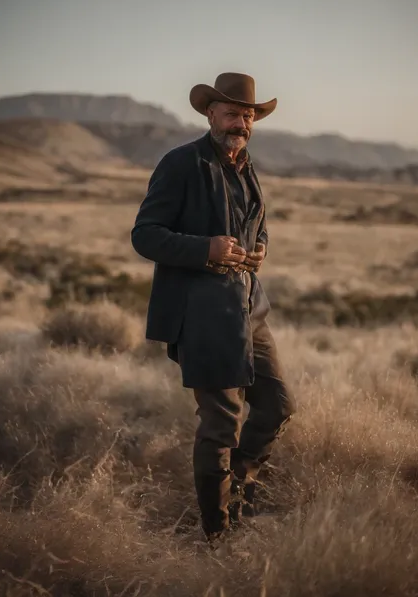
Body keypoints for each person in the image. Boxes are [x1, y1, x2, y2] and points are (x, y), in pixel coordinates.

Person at [131, 72, 296, 543]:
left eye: (248, 115)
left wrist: (259, 248)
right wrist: (206, 249)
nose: (241, 122)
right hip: (202, 313)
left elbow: (253, 227)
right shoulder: (181, 163)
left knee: (279, 406)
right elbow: (145, 235)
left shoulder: (247, 166)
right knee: (221, 425)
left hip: (249, 307)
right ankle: (216, 534)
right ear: (210, 114)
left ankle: (236, 486)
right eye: (232, 113)